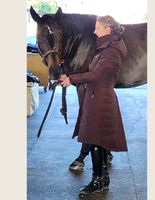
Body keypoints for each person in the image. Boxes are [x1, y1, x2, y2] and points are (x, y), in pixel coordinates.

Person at [59, 15, 128, 195]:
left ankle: (97, 180)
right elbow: (92, 71)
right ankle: (103, 179)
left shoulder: (111, 51)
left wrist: (71, 79)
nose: (94, 31)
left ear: (109, 28)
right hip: (98, 97)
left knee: (95, 139)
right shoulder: (106, 48)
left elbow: (95, 76)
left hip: (101, 99)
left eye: (98, 28)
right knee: (100, 140)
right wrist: (69, 74)